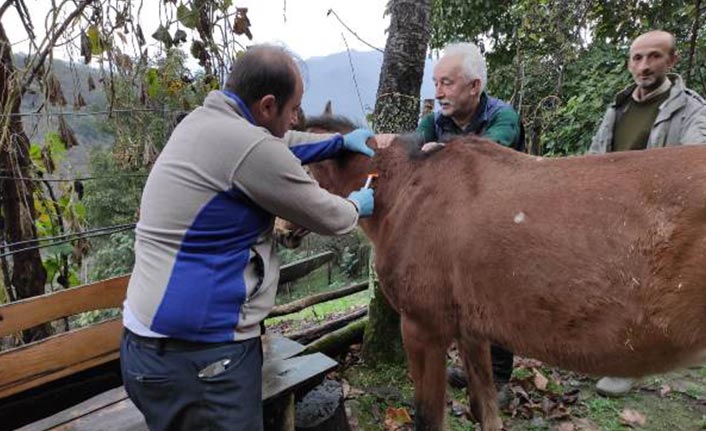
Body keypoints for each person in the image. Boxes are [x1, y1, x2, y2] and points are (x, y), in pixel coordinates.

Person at [120, 44, 380, 431]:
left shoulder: (203, 122)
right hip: (202, 358)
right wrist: (357, 205)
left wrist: (338, 143)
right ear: (268, 105)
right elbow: (326, 215)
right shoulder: (249, 147)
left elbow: (279, 145)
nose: (296, 119)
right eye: (293, 110)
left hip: (150, 349)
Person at [590, 30, 706, 396]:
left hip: (659, 219)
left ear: (671, 61)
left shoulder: (691, 109)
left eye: (653, 57)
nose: (644, 66)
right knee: (612, 286)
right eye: (637, 58)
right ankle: (604, 351)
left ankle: (627, 364)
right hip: (613, 212)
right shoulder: (618, 107)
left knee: (641, 291)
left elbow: (695, 165)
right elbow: (595, 157)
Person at [417, 41, 524, 405]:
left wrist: (440, 154)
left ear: (474, 86)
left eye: (447, 82)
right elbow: (413, 149)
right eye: (436, 82)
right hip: (457, 226)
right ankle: (471, 368)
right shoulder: (435, 121)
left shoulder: (503, 116)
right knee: (463, 299)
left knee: (498, 299)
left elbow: (485, 155)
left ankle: (500, 378)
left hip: (503, 222)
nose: (439, 92)